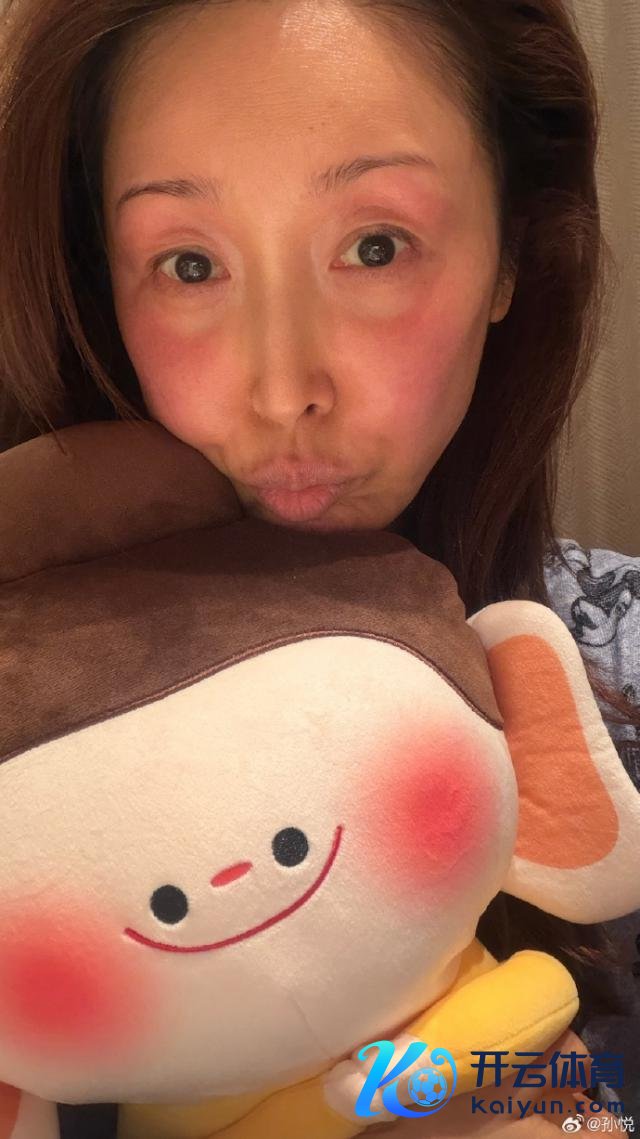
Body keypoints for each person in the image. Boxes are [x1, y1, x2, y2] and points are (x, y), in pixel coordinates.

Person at [0, 0, 638, 1134]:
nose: (283, 385)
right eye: (189, 264)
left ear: (510, 251)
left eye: (375, 246)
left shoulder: (614, 653)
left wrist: (554, 1107)